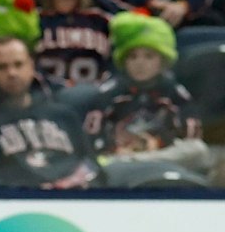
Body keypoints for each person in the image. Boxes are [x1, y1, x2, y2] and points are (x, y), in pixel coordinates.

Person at [0, 34, 98, 186]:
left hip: (70, 204)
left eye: (18, 64)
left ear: (31, 66)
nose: (12, 73)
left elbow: (91, 167)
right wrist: (21, 189)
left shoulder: (64, 116)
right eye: (2, 67)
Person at [86, 10, 212, 175]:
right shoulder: (108, 93)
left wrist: (156, 145)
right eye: (133, 57)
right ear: (123, 61)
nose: (140, 63)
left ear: (163, 60)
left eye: (149, 56)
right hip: (120, 160)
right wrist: (115, 150)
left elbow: (191, 137)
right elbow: (92, 137)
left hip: (163, 157)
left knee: (199, 150)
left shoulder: (176, 93)